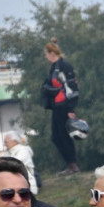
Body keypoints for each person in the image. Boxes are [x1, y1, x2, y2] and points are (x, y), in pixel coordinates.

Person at [41, 39, 80, 175]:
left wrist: (71, 109)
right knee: (56, 137)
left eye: (46, 53)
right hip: (57, 106)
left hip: (64, 106)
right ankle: (70, 163)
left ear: (52, 53)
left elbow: (72, 87)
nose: (45, 56)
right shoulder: (53, 67)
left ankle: (73, 164)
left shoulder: (64, 66)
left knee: (64, 135)